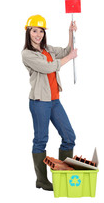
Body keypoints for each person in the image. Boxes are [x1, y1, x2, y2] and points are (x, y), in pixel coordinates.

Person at [22, 14, 77, 191]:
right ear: (28, 32)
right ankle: (42, 180)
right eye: (34, 31)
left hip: (54, 101)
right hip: (39, 102)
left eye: (41, 31)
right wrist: (69, 59)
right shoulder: (27, 54)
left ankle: (63, 175)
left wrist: (70, 33)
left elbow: (67, 50)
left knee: (69, 137)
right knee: (41, 140)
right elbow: (48, 67)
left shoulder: (48, 49)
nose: (38, 34)